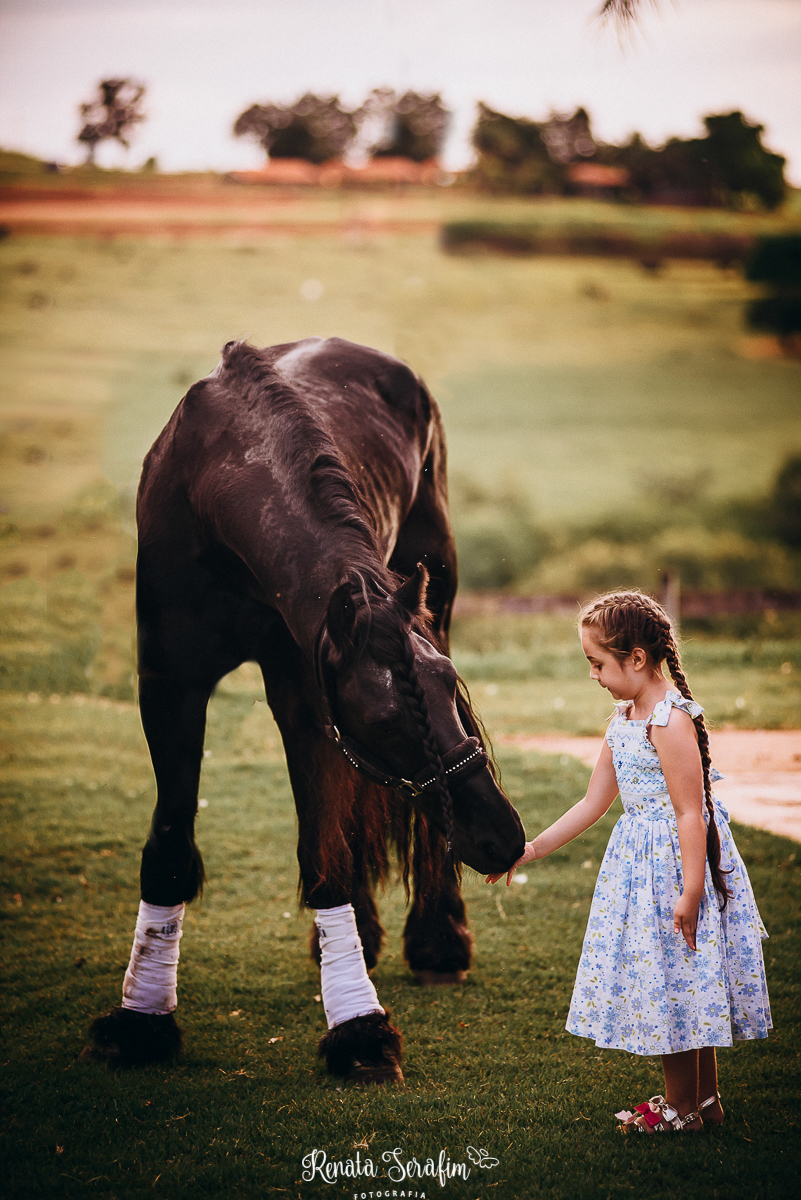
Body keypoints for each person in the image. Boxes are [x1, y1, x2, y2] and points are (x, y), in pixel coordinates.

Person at [487, 590, 771, 1133]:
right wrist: (529, 850)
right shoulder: (626, 715)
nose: (593, 675)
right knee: (684, 980)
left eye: (598, 663)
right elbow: (594, 802)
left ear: (636, 658)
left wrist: (691, 891)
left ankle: (683, 1108)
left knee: (675, 983)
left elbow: (692, 812)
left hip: (674, 869)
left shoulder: (667, 720)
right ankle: (704, 1104)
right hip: (642, 869)